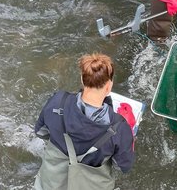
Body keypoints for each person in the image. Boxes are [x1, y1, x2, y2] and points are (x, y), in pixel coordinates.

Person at [34, 53, 135, 190]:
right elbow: (123, 165)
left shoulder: (57, 101)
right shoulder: (119, 127)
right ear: (109, 86)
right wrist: (129, 130)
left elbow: (40, 132)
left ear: (82, 79)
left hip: (50, 183)